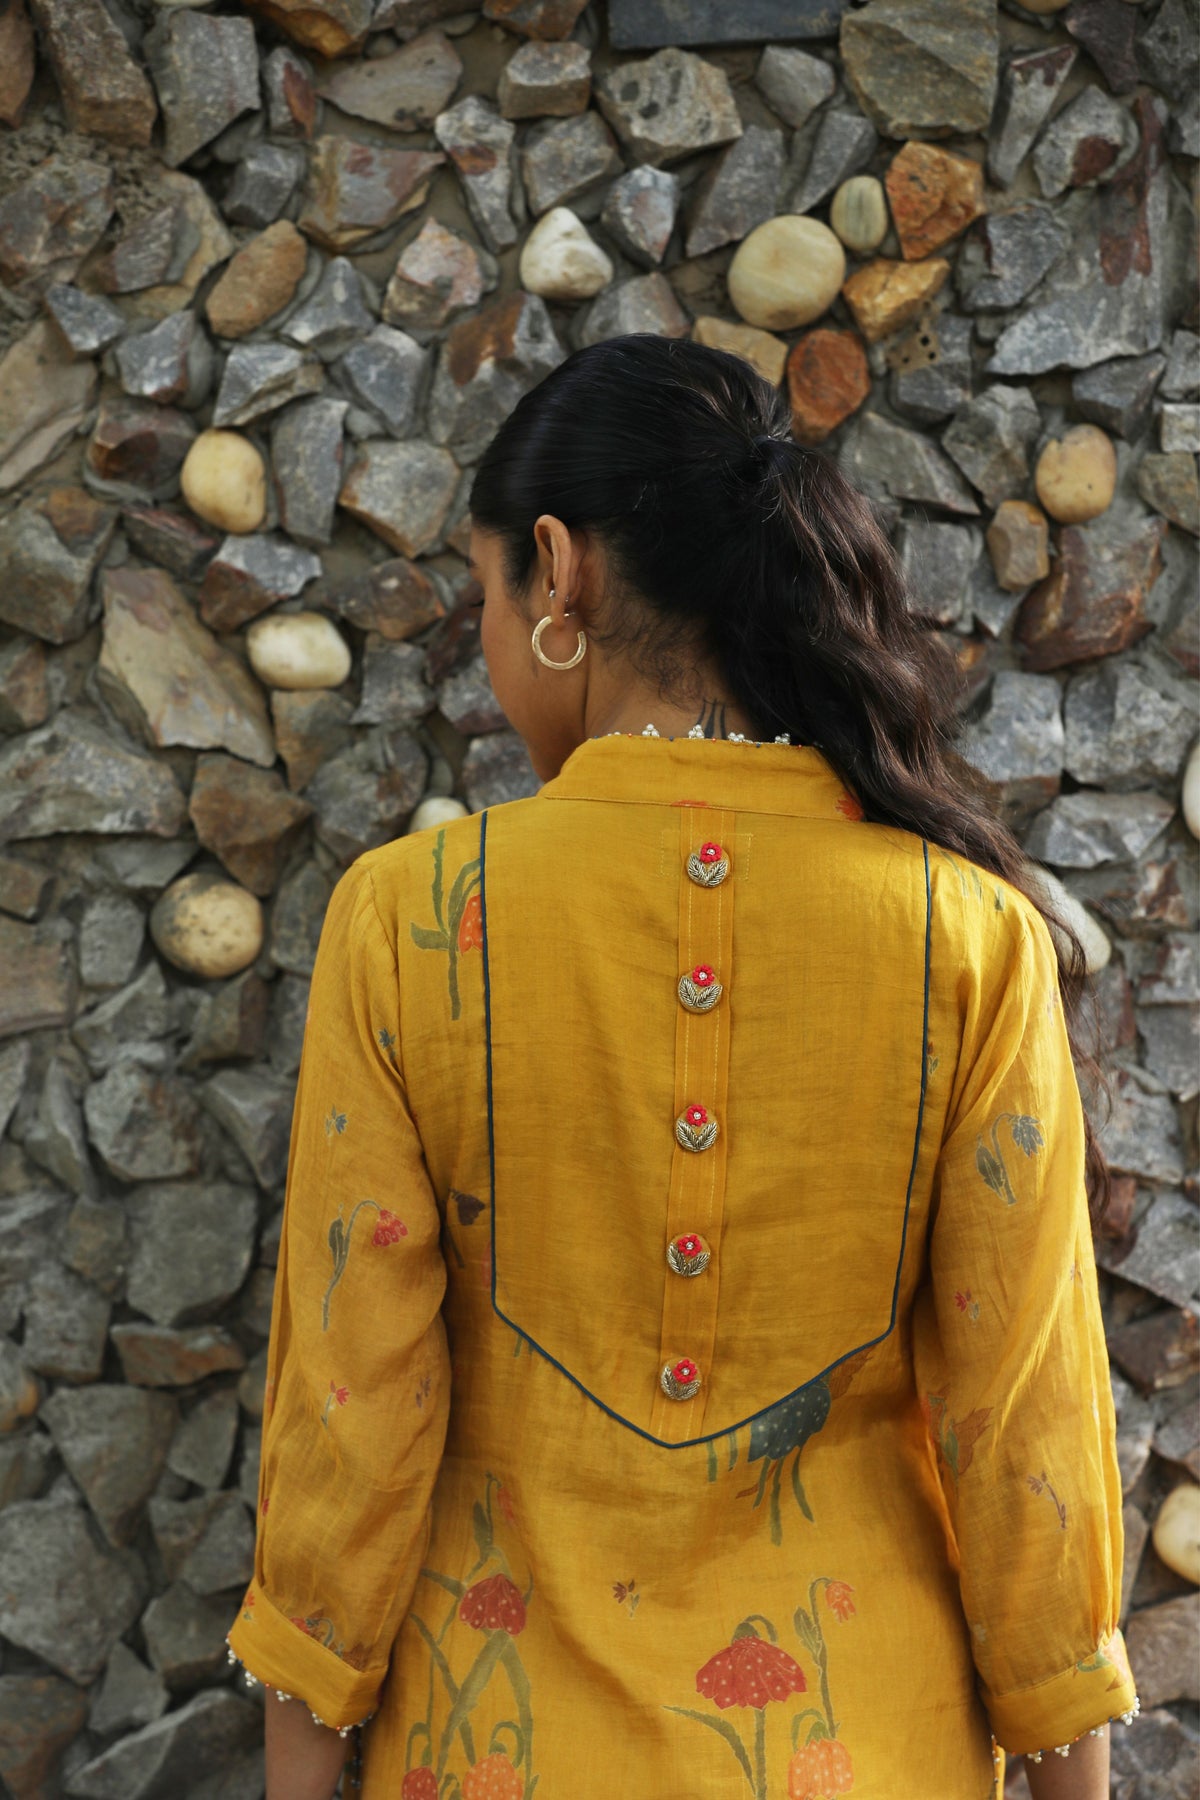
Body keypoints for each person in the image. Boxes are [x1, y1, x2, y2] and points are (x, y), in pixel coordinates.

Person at [226, 335, 1138, 1800]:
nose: (493, 646)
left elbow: (354, 1420)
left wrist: (299, 1774)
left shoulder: (409, 926)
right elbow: (1021, 1424)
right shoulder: (969, 941)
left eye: (485, 605)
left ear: (558, 572)